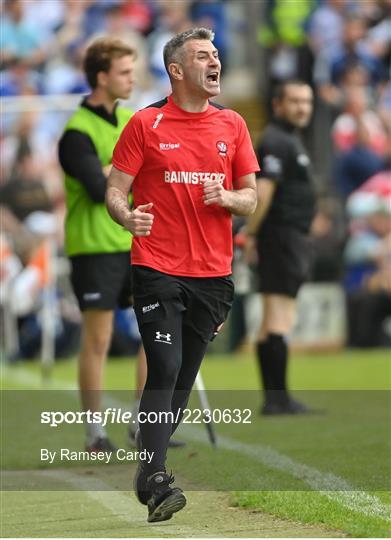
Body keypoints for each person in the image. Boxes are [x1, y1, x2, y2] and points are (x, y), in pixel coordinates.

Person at [106, 27, 259, 523]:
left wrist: (229, 198)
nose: (215, 62)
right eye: (202, 56)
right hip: (155, 266)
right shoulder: (145, 124)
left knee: (183, 379)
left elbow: (250, 199)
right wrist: (126, 216)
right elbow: (115, 189)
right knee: (165, 367)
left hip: (213, 274)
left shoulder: (233, 124)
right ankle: (155, 477)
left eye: (216, 54)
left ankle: (148, 470)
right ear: (177, 70)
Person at [58, 37, 147, 452]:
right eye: (124, 72)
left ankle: (143, 424)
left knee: (155, 332)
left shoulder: (132, 120)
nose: (132, 79)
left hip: (135, 240)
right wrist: (129, 165)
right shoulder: (76, 133)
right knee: (98, 339)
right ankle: (95, 433)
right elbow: (99, 190)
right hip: (93, 246)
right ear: (101, 77)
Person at [246, 80, 316, 415]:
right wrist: (251, 234)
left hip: (285, 237)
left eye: (307, 101)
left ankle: (274, 398)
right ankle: (279, 399)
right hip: (282, 236)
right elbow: (265, 191)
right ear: (278, 104)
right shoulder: (275, 140)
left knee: (271, 319)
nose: (302, 107)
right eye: (295, 101)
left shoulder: (289, 140)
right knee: (279, 316)